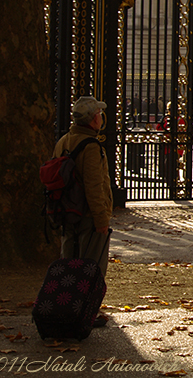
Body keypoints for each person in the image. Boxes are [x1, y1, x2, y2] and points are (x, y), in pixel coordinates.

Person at [53, 96, 113, 327]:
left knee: (68, 261)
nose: (101, 117)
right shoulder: (90, 146)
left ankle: (65, 306)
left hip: (67, 212)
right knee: (92, 265)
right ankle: (86, 311)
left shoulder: (65, 140)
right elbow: (95, 187)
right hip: (87, 214)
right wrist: (101, 219)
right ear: (94, 119)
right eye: (99, 113)